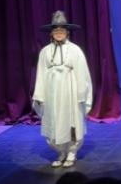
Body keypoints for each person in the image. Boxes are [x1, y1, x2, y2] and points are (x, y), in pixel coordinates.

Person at [33, 11, 93, 168]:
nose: (59, 33)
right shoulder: (45, 51)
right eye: (56, 30)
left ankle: (72, 152)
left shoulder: (75, 50)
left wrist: (82, 94)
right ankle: (60, 152)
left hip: (70, 92)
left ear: (67, 32)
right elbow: (41, 73)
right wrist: (39, 95)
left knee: (71, 121)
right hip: (51, 92)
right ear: (51, 33)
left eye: (62, 30)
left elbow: (82, 73)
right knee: (53, 120)